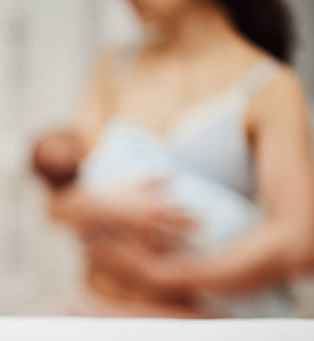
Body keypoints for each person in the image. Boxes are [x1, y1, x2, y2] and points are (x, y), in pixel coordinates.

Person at [33, 0, 314, 317]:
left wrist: (170, 277)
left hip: (199, 326)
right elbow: (57, 205)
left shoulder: (271, 86)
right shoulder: (117, 64)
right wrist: (113, 206)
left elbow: (299, 241)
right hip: (94, 310)